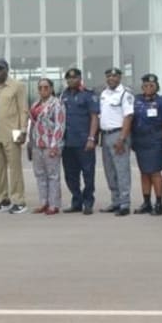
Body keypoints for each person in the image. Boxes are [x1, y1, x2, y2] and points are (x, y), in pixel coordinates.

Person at [0, 59, 28, 214]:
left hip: (13, 133)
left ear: (7, 70)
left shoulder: (17, 86)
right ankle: (3, 200)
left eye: (1, 69)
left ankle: (19, 200)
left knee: (15, 168)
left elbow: (23, 109)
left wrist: (23, 130)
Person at [131, 74, 162, 216]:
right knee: (144, 172)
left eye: (151, 85)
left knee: (155, 173)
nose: (148, 88)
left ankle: (159, 204)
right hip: (140, 141)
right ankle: (147, 202)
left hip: (155, 141)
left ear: (157, 87)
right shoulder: (136, 100)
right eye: (145, 85)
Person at [60, 68, 100, 214]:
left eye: (74, 78)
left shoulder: (88, 95)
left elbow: (94, 117)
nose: (71, 80)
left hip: (84, 141)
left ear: (80, 78)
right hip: (67, 142)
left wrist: (91, 137)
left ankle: (88, 202)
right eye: (69, 78)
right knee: (70, 174)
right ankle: (76, 201)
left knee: (88, 173)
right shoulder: (63, 95)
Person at [98, 67, 134, 216]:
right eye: (108, 76)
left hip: (118, 134)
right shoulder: (104, 93)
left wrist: (122, 138)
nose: (111, 78)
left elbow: (128, 117)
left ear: (120, 78)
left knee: (122, 170)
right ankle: (115, 201)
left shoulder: (125, 94)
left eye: (114, 76)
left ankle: (124, 204)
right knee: (110, 171)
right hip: (105, 135)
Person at [27, 78, 65, 216]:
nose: (43, 90)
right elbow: (33, 125)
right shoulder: (35, 104)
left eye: (46, 87)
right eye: (40, 88)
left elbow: (60, 126)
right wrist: (30, 143)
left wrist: (55, 145)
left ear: (51, 88)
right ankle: (44, 202)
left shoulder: (57, 104)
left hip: (51, 144)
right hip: (38, 144)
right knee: (40, 175)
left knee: (53, 176)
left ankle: (54, 205)